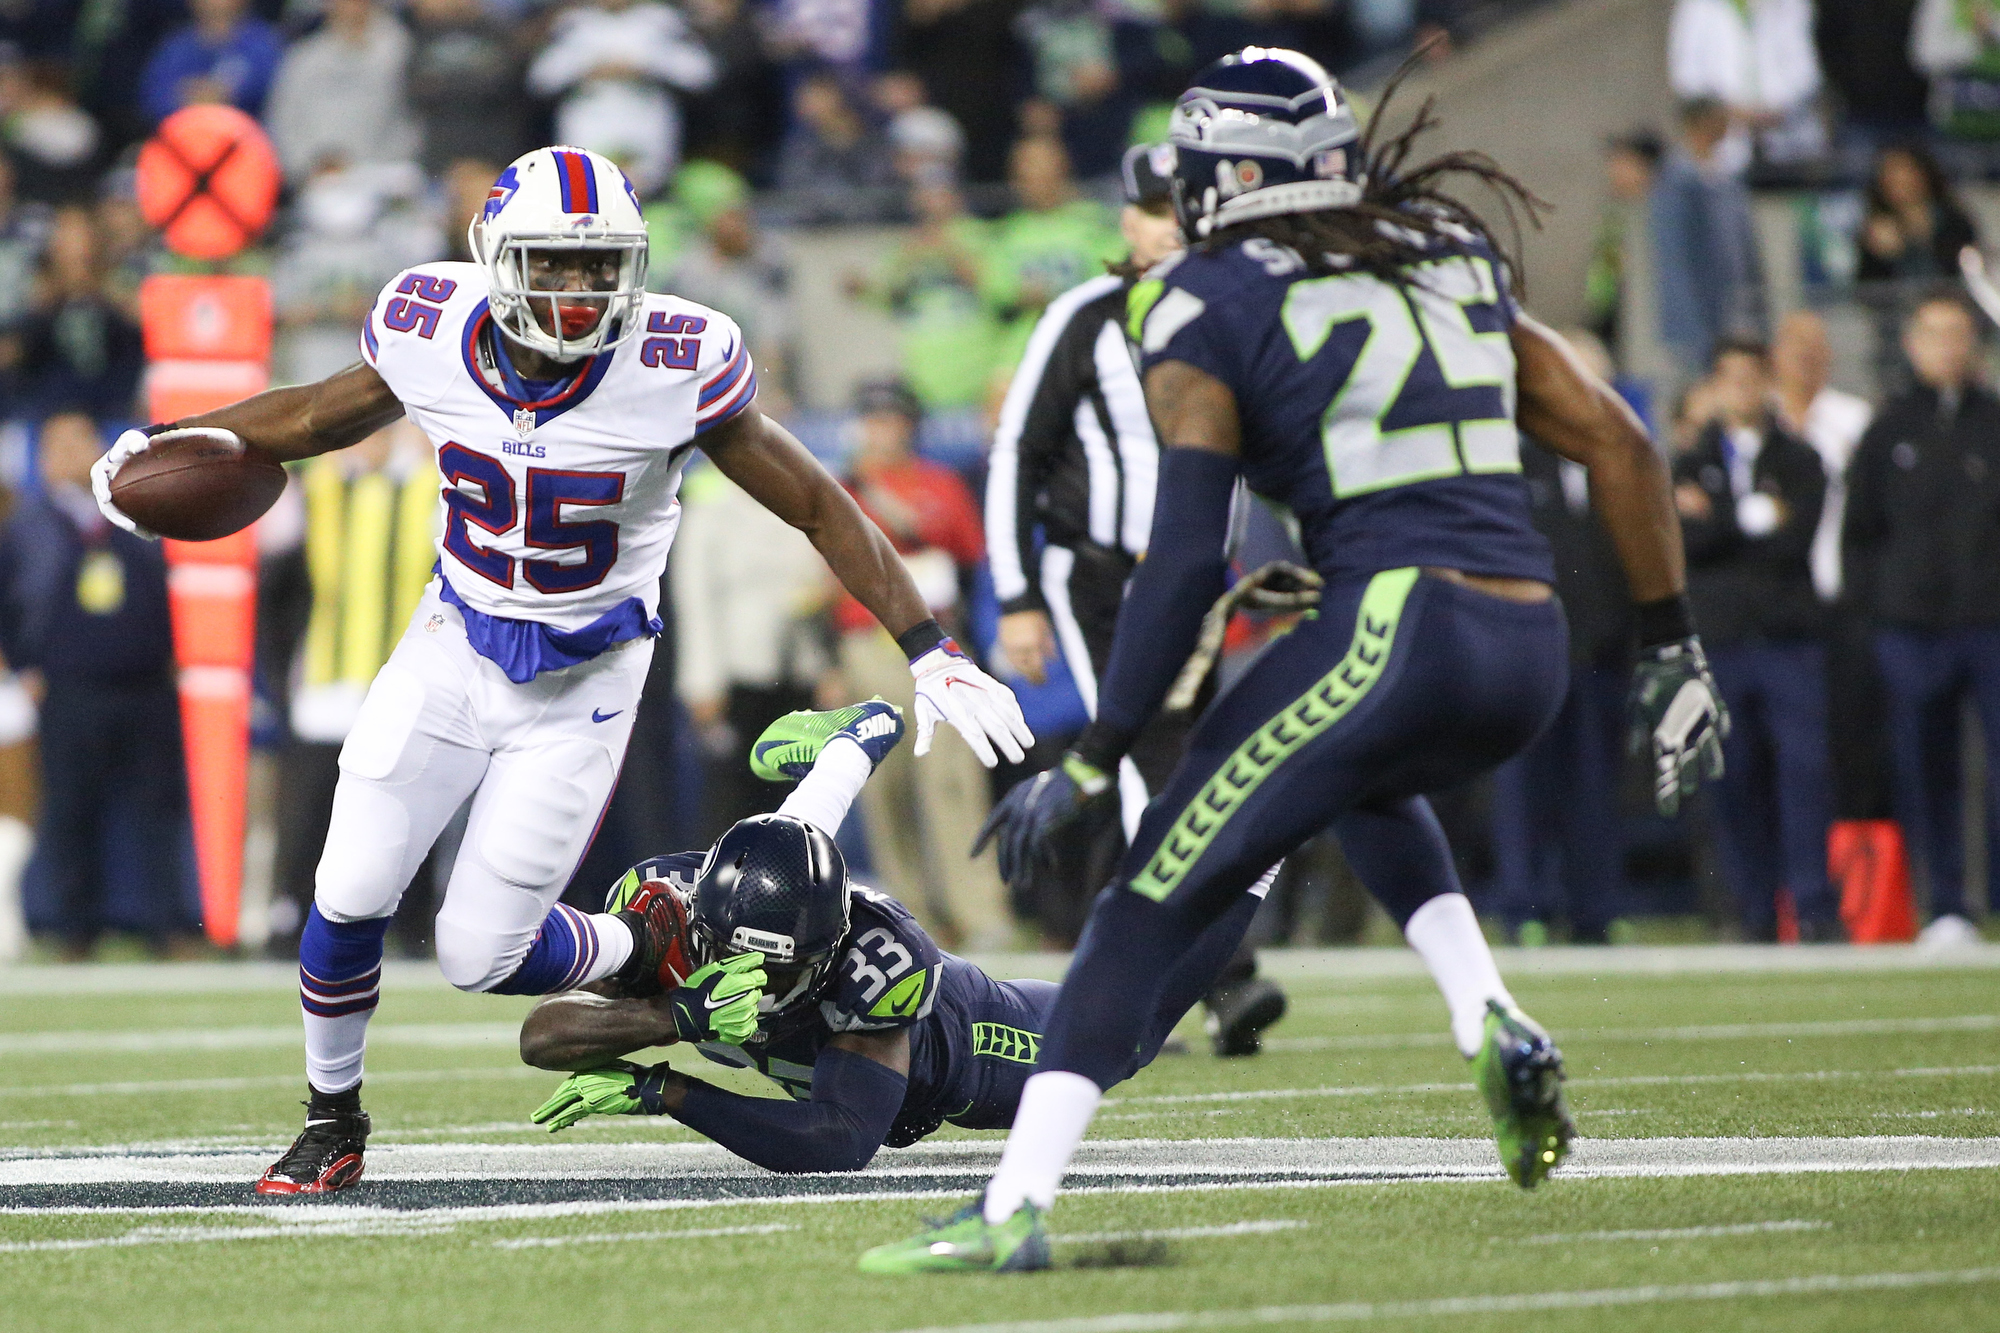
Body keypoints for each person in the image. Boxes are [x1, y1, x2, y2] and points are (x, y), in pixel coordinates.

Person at [859, 48, 1728, 1273]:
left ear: (1224, 173)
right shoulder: (1440, 247)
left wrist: (1098, 754)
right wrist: (1669, 646)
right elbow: (1620, 442)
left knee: (1147, 899)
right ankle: (1490, 1013)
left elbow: (1178, 562)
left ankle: (1011, 1207)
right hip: (1522, 637)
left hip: (1393, 629)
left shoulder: (1201, 297)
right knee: (1362, 778)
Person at [88, 145, 1034, 1195]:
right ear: (494, 258)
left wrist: (928, 645)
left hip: (586, 679)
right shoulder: (427, 326)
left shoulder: (676, 360)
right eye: (554, 265)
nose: (580, 292)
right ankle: (333, 1119)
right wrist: (166, 439)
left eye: (600, 268)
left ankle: (642, 940)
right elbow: (311, 416)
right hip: (453, 643)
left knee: (477, 956)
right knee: (346, 886)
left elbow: (816, 502)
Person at [520, 701, 1236, 1170]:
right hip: (771, 875)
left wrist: (668, 1091)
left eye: (781, 971)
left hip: (970, 1037)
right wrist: (664, 1016)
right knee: (808, 816)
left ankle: (1253, 863)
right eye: (744, 960)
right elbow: (540, 1036)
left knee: (1123, 1037)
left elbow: (840, 1138)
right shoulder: (661, 919)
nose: (760, 983)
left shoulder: (872, 958)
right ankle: (861, 733)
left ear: (826, 946)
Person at [984, 142, 1286, 1050]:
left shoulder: (1231, 315)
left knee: (1183, 761)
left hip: (1197, 581)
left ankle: (1123, 971)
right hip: (1102, 578)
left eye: (1180, 210)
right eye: (1153, 210)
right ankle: (1212, 976)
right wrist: (1017, 592)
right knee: (1145, 758)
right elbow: (1019, 453)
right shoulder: (1085, 316)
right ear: (1125, 219)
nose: (1166, 227)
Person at [0, 412, 190, 959]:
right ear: (42, 457)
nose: (71, 454)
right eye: (59, 444)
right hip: (68, 686)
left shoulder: (136, 510)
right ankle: (74, 931)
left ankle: (167, 928)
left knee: (157, 809)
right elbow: (9, 604)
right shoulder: (27, 525)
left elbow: (169, 587)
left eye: (82, 441)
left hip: (145, 685)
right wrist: (23, 667)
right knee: (71, 810)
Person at [831, 378, 1012, 950]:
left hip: (934, 646)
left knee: (954, 781)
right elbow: (823, 578)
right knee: (887, 789)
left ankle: (980, 910)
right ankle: (911, 915)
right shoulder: (840, 489)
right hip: (867, 648)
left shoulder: (937, 482)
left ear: (910, 425)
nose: (884, 430)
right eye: (874, 419)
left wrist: (899, 512)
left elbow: (964, 547)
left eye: (893, 419)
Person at [1844, 292, 2000, 948]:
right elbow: (1860, 532)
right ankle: (1948, 906)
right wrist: (1877, 613)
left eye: (1959, 333)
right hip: (1910, 628)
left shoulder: (1994, 421)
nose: (1948, 346)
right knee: (1924, 765)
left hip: (1990, 623)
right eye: (1934, 333)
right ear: (1911, 343)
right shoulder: (1889, 429)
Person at [1673, 339, 1839, 941]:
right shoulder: (1688, 460)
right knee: (1732, 776)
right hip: (1722, 641)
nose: (1740, 390)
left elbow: (1795, 542)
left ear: (1767, 381)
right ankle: (1752, 909)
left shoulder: (1799, 457)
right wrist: (1752, 516)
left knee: (1803, 773)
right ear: (1714, 387)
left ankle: (1814, 907)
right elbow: (1687, 546)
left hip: (1788, 639)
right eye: (1729, 378)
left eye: (1751, 377)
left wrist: (1716, 516)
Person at [1488, 330, 1632, 947]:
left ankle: (1596, 909)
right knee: (1522, 787)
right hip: (1526, 653)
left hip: (1601, 650)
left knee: (1597, 786)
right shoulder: (1510, 457)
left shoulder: (1619, 459)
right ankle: (1524, 906)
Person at [525, 0, 716, 198]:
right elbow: (540, 79)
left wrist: (646, 67)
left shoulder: (661, 20)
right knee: (591, 193)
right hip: (590, 123)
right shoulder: (574, 23)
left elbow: (701, 73)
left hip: (646, 124)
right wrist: (588, 69)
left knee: (644, 193)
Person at [1651, 98, 1767, 383]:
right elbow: (1674, 259)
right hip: (1699, 324)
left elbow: (1746, 251)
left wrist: (1757, 311)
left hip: (1735, 315)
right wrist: (1693, 332)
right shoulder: (1676, 183)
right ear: (1698, 123)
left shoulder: (1727, 179)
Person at [263, 0, 419, 183]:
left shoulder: (402, 52)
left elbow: (412, 122)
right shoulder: (303, 58)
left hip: (382, 177)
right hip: (314, 178)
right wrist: (307, 166)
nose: (349, 6)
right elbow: (282, 122)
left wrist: (368, 170)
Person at [137, 0, 283, 127]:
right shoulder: (176, 47)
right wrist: (187, 100)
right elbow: (152, 98)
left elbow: (272, 91)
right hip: (182, 144)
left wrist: (225, 95)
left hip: (246, 145)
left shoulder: (265, 43)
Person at [1855, 144, 1979, 284]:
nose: (1900, 182)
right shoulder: (1874, 229)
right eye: (1891, 175)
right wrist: (1881, 255)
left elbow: (1965, 270)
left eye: (1905, 172)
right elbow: (1867, 287)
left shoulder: (1953, 222)